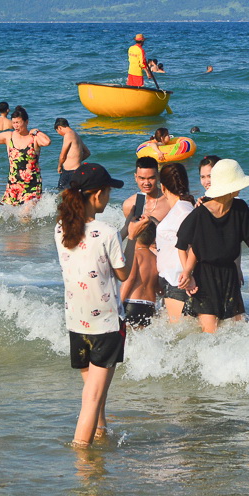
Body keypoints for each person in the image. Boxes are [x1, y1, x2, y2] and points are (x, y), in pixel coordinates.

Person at [55, 163, 142, 447]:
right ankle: (83, 457)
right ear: (96, 195)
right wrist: (134, 238)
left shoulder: (62, 228)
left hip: (76, 321)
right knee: (92, 398)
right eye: (107, 192)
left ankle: (101, 432)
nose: (109, 198)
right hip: (105, 325)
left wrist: (125, 233)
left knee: (93, 390)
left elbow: (94, 247)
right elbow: (123, 272)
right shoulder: (107, 232)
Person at [176, 159, 249, 333]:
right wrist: (187, 274)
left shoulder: (240, 208)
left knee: (236, 329)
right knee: (210, 331)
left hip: (229, 274)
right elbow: (181, 244)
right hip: (204, 275)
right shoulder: (200, 213)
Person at [155, 163, 196, 323]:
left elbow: (194, 246)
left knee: (178, 336)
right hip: (174, 280)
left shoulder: (183, 212)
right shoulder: (183, 209)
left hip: (179, 281)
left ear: (163, 187)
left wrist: (188, 273)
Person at [0, 106, 51, 207]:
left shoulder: (33, 138)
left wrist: (36, 131)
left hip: (32, 185)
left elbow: (47, 142)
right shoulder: (9, 136)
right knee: (7, 216)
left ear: (26, 122)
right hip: (13, 184)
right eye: (13, 123)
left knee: (24, 216)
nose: (15, 126)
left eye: (18, 122)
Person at [120, 220, 161, 328]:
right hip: (150, 305)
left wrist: (118, 304)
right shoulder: (156, 259)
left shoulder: (135, 255)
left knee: (128, 340)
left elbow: (130, 279)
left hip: (132, 304)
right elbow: (158, 288)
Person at [122, 156, 171, 233]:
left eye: (151, 178)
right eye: (142, 178)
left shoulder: (169, 200)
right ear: (136, 177)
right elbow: (130, 233)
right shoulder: (129, 204)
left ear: (158, 176)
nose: (147, 183)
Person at [54, 117, 90, 191]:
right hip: (77, 170)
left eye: (57, 131)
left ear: (59, 127)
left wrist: (59, 166)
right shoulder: (76, 135)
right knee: (73, 195)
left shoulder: (68, 135)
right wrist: (77, 160)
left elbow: (62, 155)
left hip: (69, 172)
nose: (59, 134)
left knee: (62, 195)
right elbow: (87, 153)